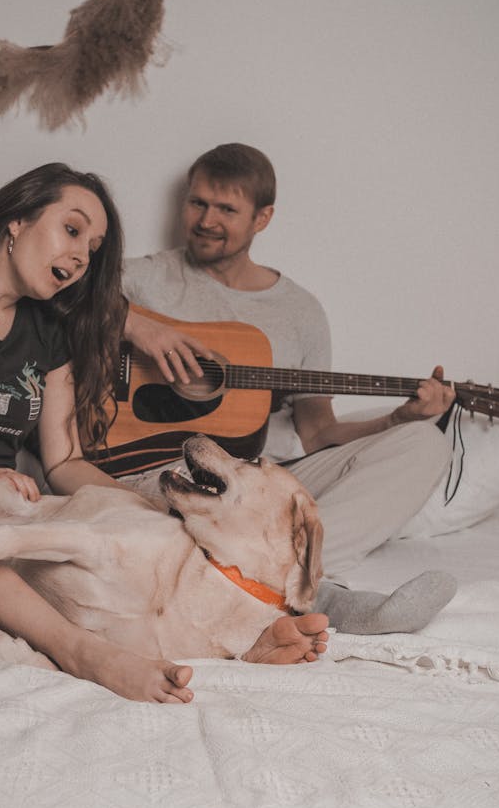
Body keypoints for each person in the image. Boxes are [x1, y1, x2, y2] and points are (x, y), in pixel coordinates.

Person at [0, 162, 331, 705]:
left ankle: (260, 618)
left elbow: (63, 465)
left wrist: (153, 506)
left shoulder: (47, 331)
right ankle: (82, 653)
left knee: (127, 539)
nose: (82, 255)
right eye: (72, 230)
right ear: (15, 221)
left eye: (94, 247)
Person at [121, 144, 457, 578]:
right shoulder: (146, 276)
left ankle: (295, 570)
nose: (206, 221)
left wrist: (399, 419)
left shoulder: (300, 312)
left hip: (265, 480)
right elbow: (63, 291)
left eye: (226, 209)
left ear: (263, 218)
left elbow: (318, 433)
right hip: (171, 471)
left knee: (426, 443)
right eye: (197, 203)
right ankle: (288, 577)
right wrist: (138, 327)